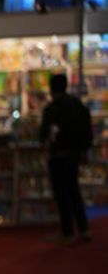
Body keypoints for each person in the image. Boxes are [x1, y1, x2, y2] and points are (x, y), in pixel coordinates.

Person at [39, 73, 92, 243]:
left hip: (59, 154)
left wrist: (44, 144)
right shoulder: (77, 104)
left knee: (61, 193)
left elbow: (44, 132)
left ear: (51, 88)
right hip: (75, 153)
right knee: (74, 190)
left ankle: (67, 232)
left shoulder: (53, 107)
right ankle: (84, 229)